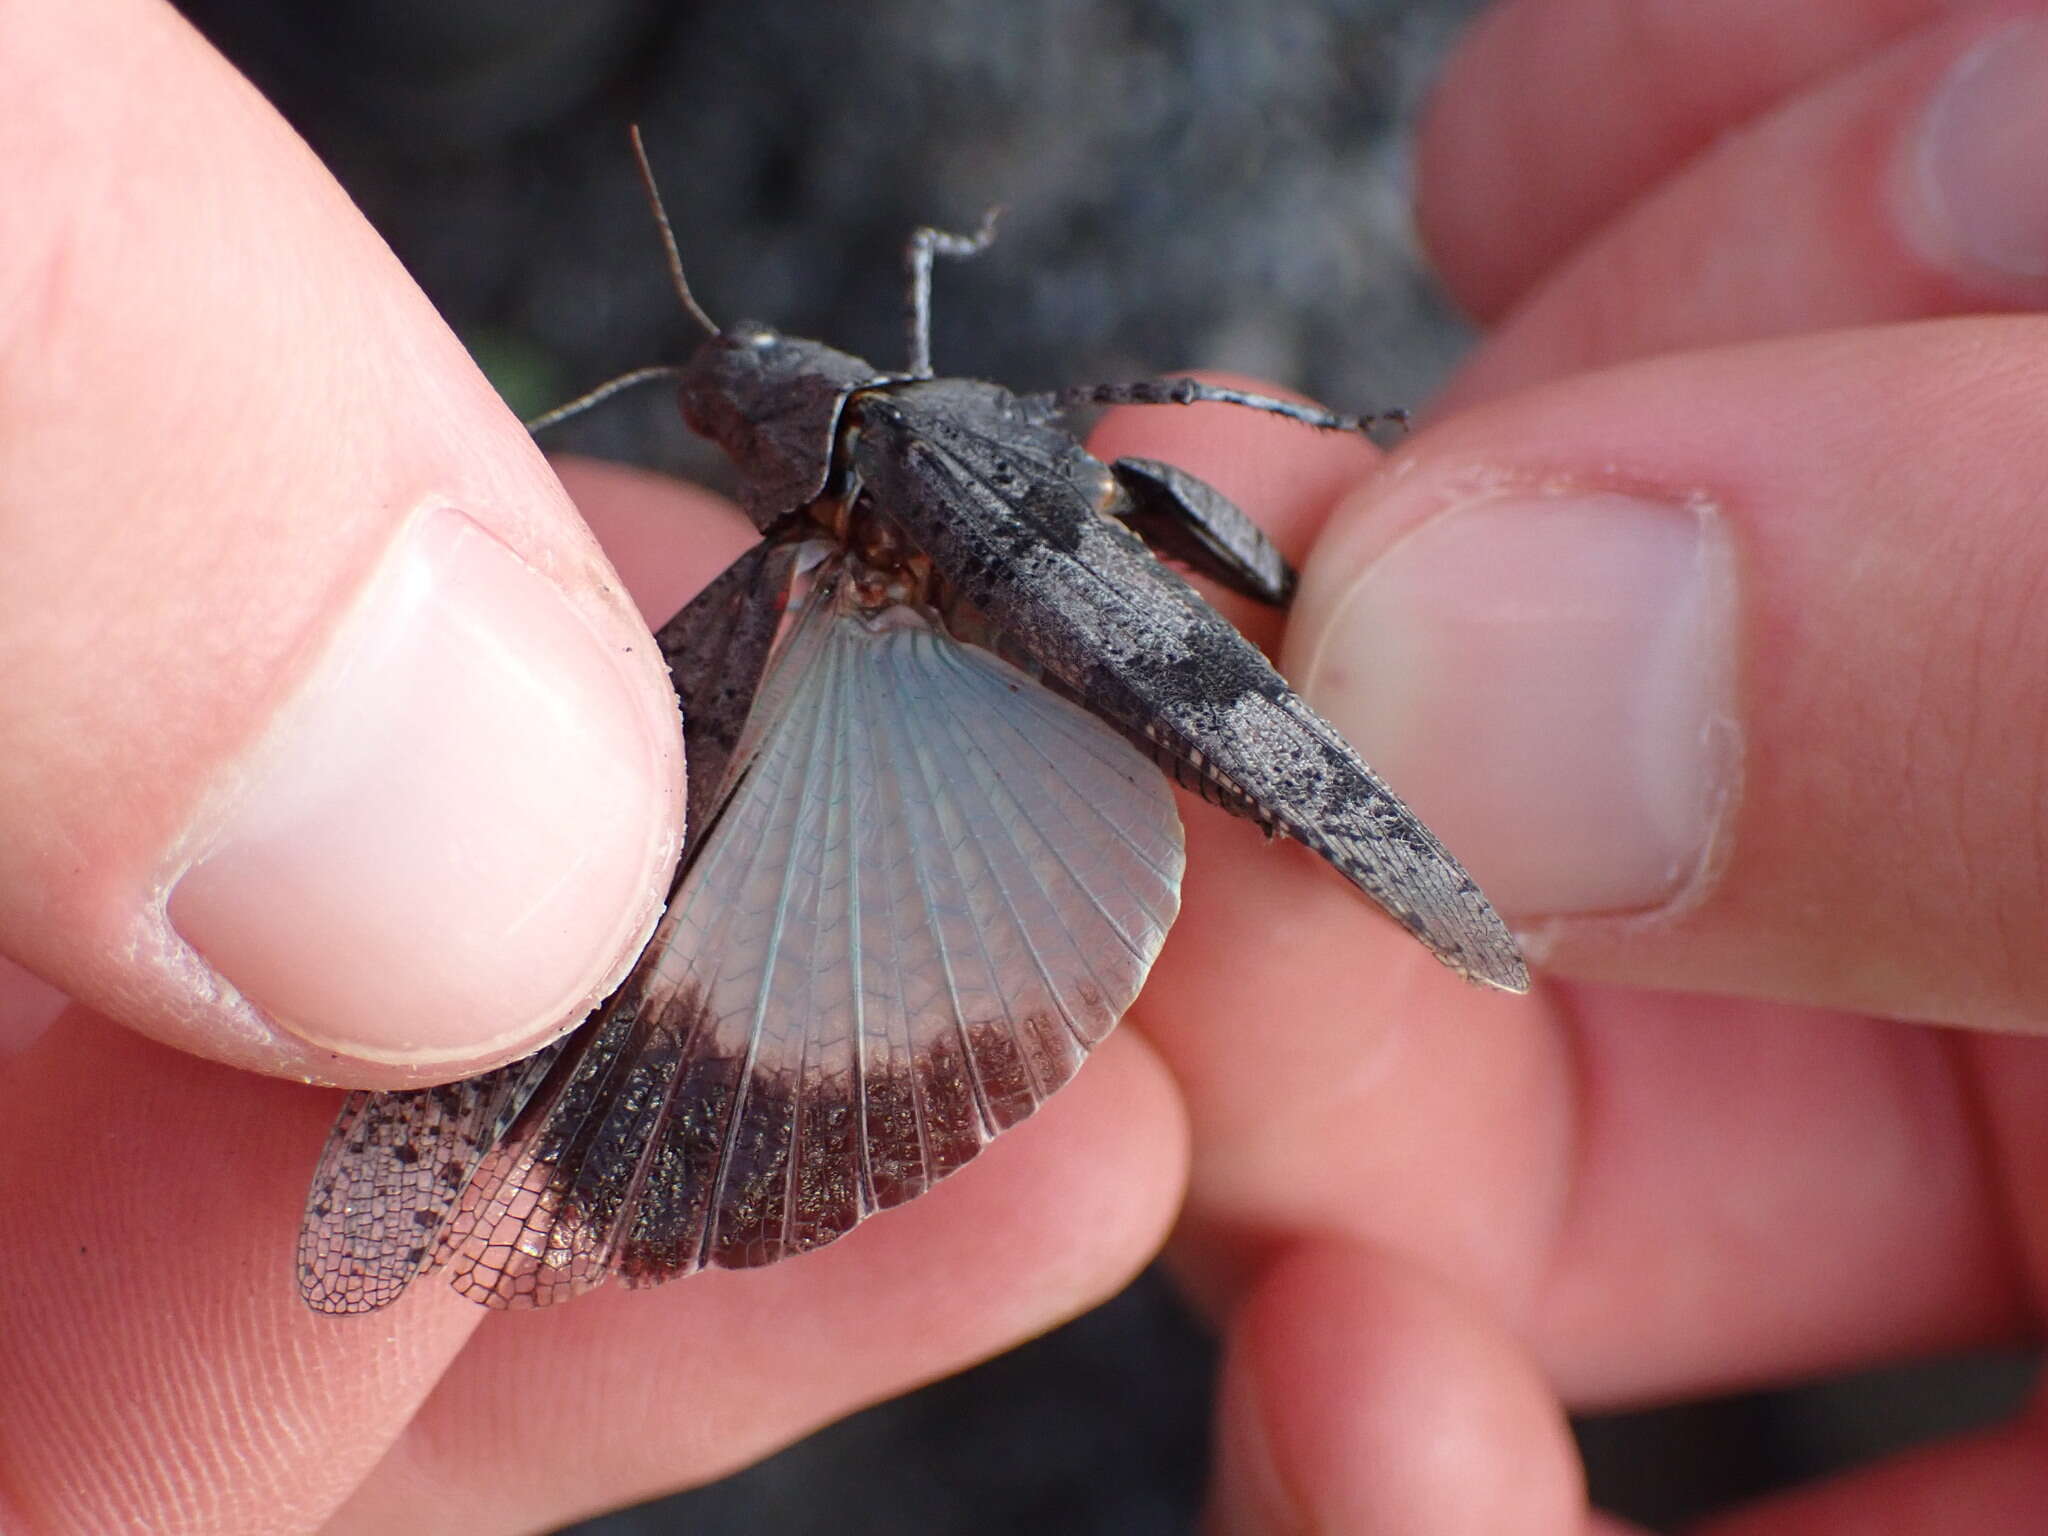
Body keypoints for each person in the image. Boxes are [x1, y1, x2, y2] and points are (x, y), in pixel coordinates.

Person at [4, 0, 2043, 1530]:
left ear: (775, 443)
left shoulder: (790, 553)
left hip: (984, 666)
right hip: (1033, 640)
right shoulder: (896, 418)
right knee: (1162, 491)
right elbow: (1115, 408)